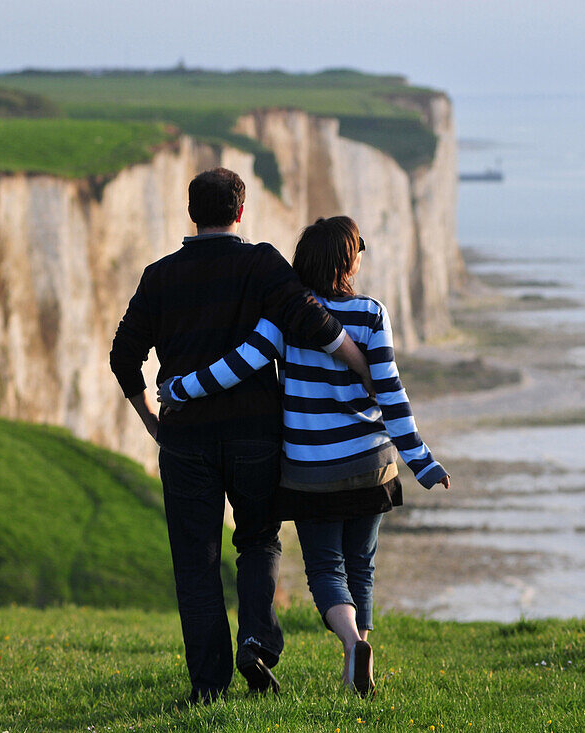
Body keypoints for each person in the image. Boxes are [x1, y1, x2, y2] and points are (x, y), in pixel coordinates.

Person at [109, 169, 371, 704]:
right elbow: (313, 321)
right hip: (256, 435)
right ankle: (255, 640)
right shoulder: (261, 264)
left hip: (185, 441)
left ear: (191, 214)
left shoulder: (158, 277)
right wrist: (367, 371)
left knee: (195, 559)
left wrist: (152, 423)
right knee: (257, 539)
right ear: (241, 212)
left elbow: (123, 357)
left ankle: (208, 686)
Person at [158, 215, 450, 697]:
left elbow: (238, 365)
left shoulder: (285, 319)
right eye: (360, 249)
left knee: (325, 570)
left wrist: (180, 389)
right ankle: (357, 651)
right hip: (370, 465)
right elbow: (391, 393)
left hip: (310, 472)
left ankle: (353, 644)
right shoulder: (372, 314)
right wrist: (422, 462)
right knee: (362, 566)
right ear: (348, 260)